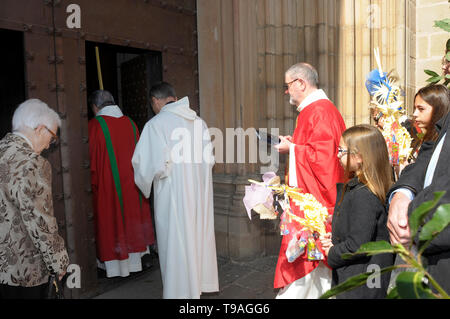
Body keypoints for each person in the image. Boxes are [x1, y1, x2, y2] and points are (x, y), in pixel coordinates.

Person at [131, 82, 219, 299]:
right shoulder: (200, 123)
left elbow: (144, 166)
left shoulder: (156, 125)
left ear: (156, 101)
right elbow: (210, 161)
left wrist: (146, 184)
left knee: (177, 244)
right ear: (174, 96)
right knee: (196, 238)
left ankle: (180, 293)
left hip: (174, 198)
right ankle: (197, 286)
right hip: (198, 196)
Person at [274, 63, 346, 298]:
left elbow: (324, 162)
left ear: (301, 84)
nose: (287, 92)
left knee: (306, 270)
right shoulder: (315, 110)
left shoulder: (319, 111)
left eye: (288, 86)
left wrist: (292, 150)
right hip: (313, 196)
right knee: (319, 277)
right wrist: (294, 145)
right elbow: (314, 150)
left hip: (315, 203)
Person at [0, 99, 69, 299]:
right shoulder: (34, 163)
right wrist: (59, 262)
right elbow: (40, 220)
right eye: (52, 137)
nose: (49, 145)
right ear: (40, 129)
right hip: (23, 270)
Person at [387, 85, 450, 295]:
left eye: (421, 108)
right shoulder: (439, 131)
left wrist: (415, 228)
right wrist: (402, 192)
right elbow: (423, 163)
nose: (414, 114)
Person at [320, 125, 395, 298]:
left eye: (341, 150)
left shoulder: (364, 195)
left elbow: (357, 246)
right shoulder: (361, 189)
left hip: (362, 280)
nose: (338, 154)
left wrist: (332, 252)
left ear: (359, 157)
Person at [88, 90, 155, 278]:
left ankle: (116, 268)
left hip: (109, 188)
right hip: (132, 188)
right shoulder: (131, 123)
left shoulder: (94, 126)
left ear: (95, 107)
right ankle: (137, 261)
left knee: (113, 222)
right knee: (132, 222)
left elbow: (91, 165)